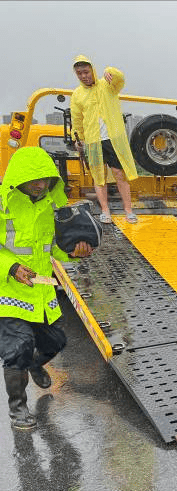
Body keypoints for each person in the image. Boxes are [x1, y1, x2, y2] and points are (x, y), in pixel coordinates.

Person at [0, 147, 93, 430]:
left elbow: (52, 248)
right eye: (35, 179)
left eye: (46, 180)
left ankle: (32, 363)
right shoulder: (3, 204)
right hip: (9, 292)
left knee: (56, 343)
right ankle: (18, 410)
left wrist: (75, 253)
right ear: (19, 178)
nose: (41, 185)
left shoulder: (49, 206)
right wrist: (12, 268)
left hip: (39, 293)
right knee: (18, 346)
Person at [70, 54, 139, 224]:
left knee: (119, 174)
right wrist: (76, 138)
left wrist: (111, 71)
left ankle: (128, 210)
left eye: (86, 71)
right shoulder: (77, 95)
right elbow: (77, 119)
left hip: (112, 139)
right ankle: (105, 211)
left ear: (92, 70)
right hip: (93, 141)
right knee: (98, 177)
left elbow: (120, 80)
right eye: (79, 73)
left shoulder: (107, 85)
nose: (83, 76)